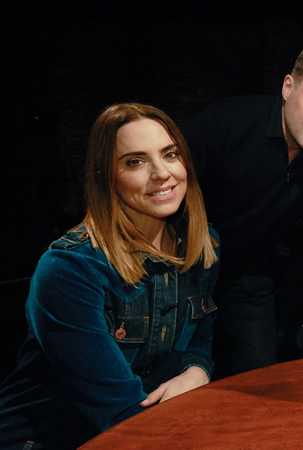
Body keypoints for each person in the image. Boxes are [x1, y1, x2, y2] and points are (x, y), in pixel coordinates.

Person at [0, 103, 220, 448]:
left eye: (170, 154)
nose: (162, 173)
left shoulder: (201, 245)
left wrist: (197, 370)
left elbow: (200, 338)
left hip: (150, 426)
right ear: (108, 178)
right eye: (135, 161)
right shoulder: (71, 269)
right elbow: (119, 410)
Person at [184, 43, 303, 376]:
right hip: (182, 264)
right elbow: (167, 187)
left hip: (248, 271)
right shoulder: (227, 121)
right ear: (289, 87)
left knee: (262, 377)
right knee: (172, 374)